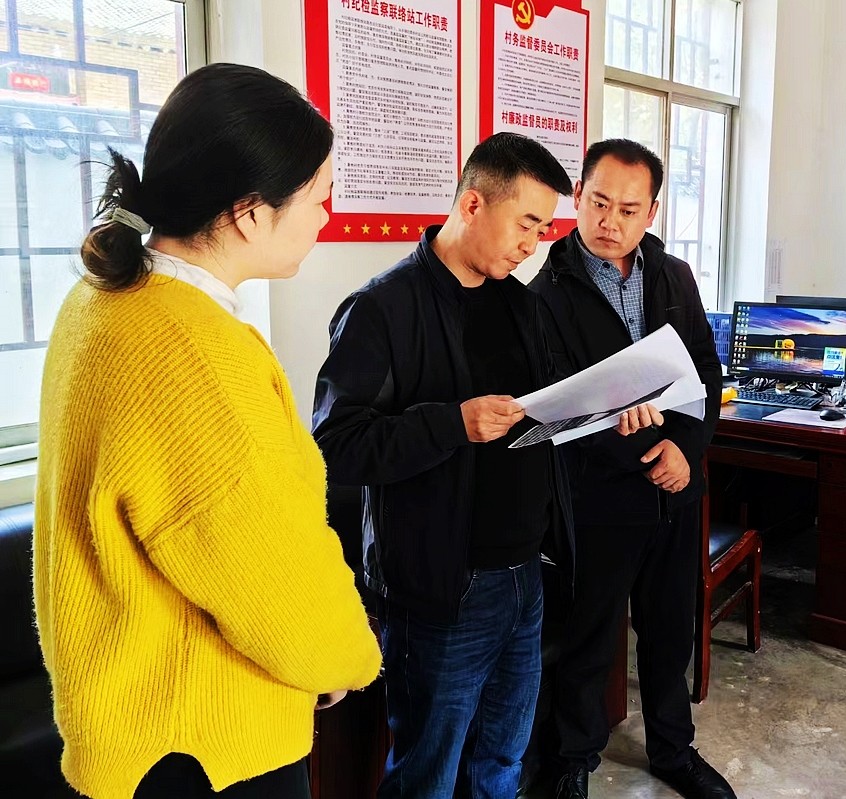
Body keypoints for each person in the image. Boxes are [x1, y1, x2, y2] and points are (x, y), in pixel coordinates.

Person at [33, 63, 382, 799]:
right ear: (250, 212)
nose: (326, 216)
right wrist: (345, 657)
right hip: (204, 739)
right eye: (319, 197)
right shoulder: (191, 350)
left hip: (135, 720)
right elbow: (267, 570)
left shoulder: (105, 298)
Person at [312, 133, 658, 799]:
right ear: (473, 204)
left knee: (502, 758)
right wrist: (453, 423)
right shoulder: (383, 309)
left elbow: (542, 411)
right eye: (525, 223)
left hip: (525, 572)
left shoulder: (518, 301)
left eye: (543, 228)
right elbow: (337, 444)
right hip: (442, 585)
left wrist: (605, 409)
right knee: (428, 771)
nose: (533, 245)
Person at [528, 139, 731, 799]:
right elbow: (556, 407)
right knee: (589, 638)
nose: (609, 221)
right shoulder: (545, 292)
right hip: (599, 498)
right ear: (577, 196)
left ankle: (673, 750)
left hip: (675, 488)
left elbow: (705, 371)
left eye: (627, 209)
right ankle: (574, 759)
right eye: (598, 202)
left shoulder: (673, 276)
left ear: (652, 211)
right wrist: (640, 450)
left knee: (670, 632)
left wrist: (685, 450)